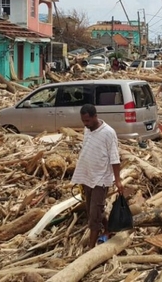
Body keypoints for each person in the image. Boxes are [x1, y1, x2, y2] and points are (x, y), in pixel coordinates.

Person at [70, 104, 124, 249]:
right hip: (87, 177)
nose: (85, 124)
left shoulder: (108, 133)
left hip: (101, 179)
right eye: (83, 121)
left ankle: (91, 248)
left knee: (94, 215)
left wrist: (117, 181)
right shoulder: (87, 130)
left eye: (87, 121)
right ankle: (108, 229)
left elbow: (114, 158)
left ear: (95, 116)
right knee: (93, 211)